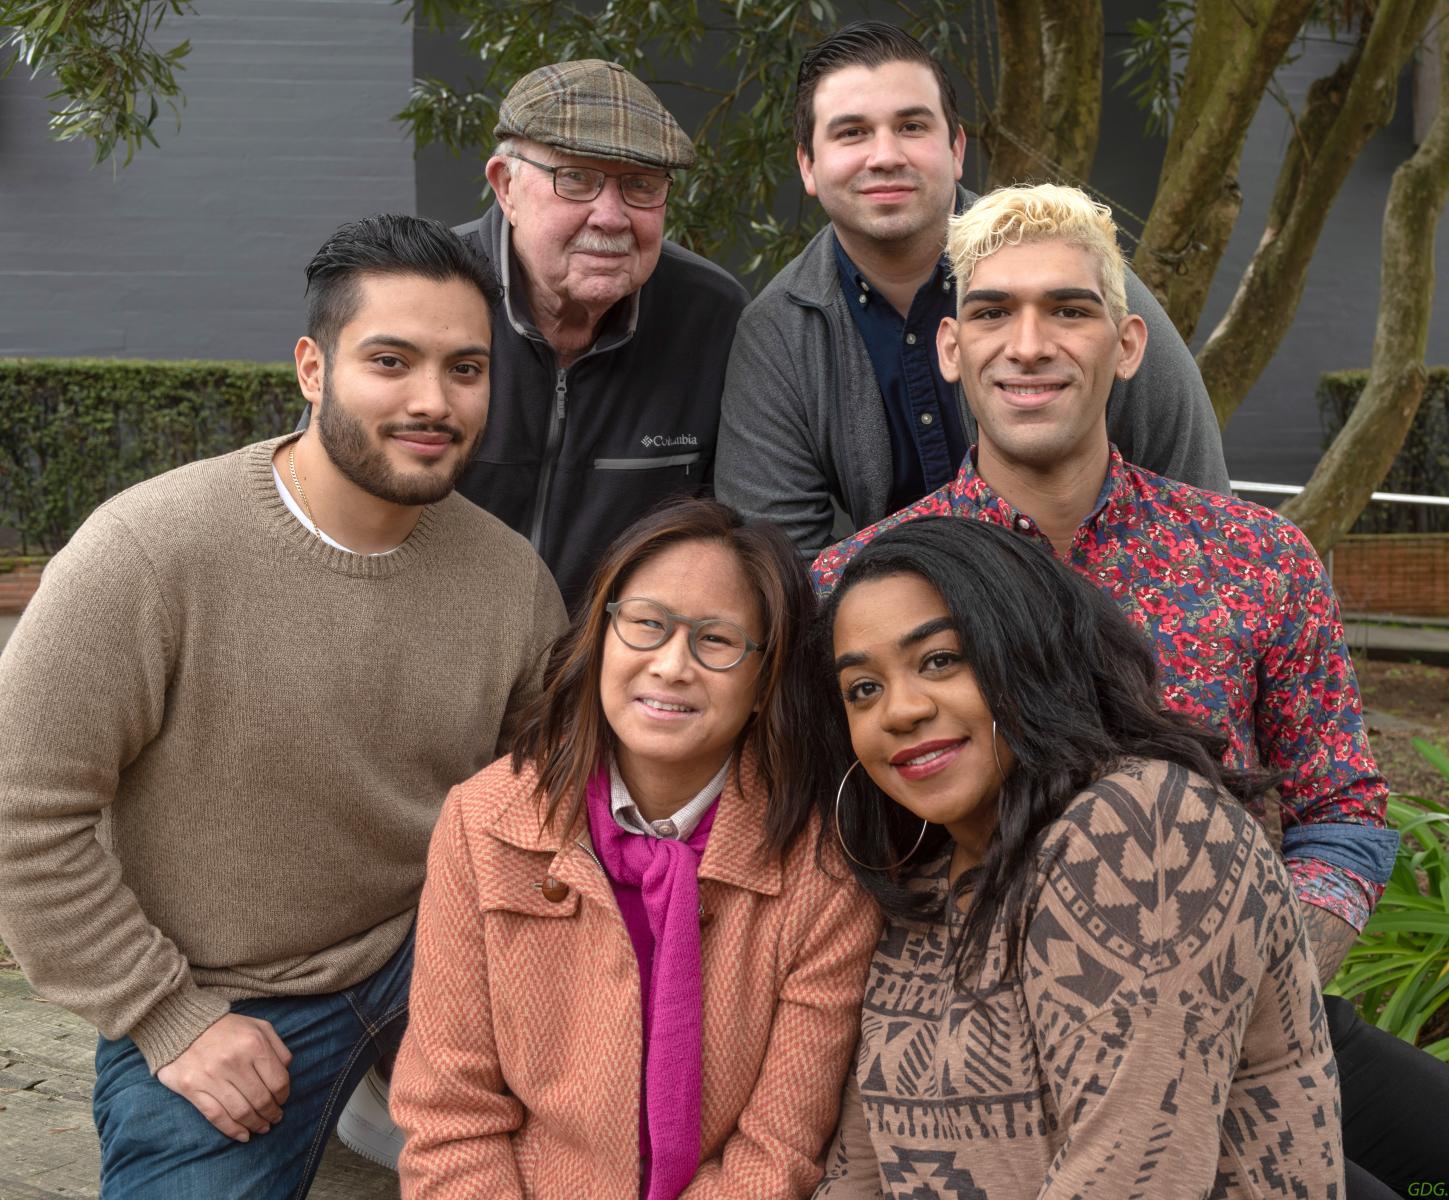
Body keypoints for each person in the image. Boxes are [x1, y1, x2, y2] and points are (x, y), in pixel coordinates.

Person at [812, 182, 1449, 1197]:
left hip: (1257, 1003)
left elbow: (1343, 810)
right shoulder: (864, 589)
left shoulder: (1257, 560)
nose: (1029, 343)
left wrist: (1248, 967)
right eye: (992, 312)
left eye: (1069, 309)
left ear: (1127, 345)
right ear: (949, 350)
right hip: (993, 1043)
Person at [0, 214, 567, 1199]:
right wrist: (168, 1020)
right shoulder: (150, 552)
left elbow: (550, 802)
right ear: (312, 367)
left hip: (429, 947)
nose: (433, 401)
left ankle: (392, 1102)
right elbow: (21, 804)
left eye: (465, 369)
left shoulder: (510, 581)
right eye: (391, 360)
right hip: (218, 989)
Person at [808, 516, 1342, 1197]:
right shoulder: (921, 886)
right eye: (862, 689)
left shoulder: (1144, 828)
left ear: (1028, 652)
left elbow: (1130, 1175)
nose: (899, 712)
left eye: (940, 659)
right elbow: (859, 1175)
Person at [391, 498, 879, 1199]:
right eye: (646, 625)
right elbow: (449, 1115)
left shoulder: (820, 865)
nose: (672, 665)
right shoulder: (485, 821)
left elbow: (777, 1150)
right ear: (601, 637)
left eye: (716, 641)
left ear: (763, 682)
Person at [715, 22, 1229, 558]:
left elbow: (1201, 513)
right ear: (808, 165)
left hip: (1106, 618)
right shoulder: (777, 336)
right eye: (852, 132)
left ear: (956, 148)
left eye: (912, 126)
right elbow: (780, 569)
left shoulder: (1079, 282)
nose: (885, 155)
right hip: (895, 629)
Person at [452, 59, 751, 609]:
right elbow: (332, 491)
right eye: (576, 179)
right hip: (441, 655)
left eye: (640, 185)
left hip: (612, 670)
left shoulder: (711, 317)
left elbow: (735, 536)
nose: (611, 217)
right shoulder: (425, 291)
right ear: (505, 186)